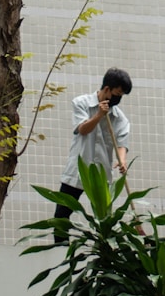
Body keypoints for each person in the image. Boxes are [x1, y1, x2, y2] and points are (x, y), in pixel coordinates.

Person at [53, 68, 133, 241]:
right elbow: (82, 129)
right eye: (117, 93)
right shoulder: (81, 103)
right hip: (78, 169)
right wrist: (99, 115)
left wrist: (122, 160)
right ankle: (59, 249)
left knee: (104, 219)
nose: (119, 99)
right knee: (62, 214)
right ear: (106, 89)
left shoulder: (119, 118)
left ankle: (103, 252)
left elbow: (122, 143)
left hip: (101, 173)